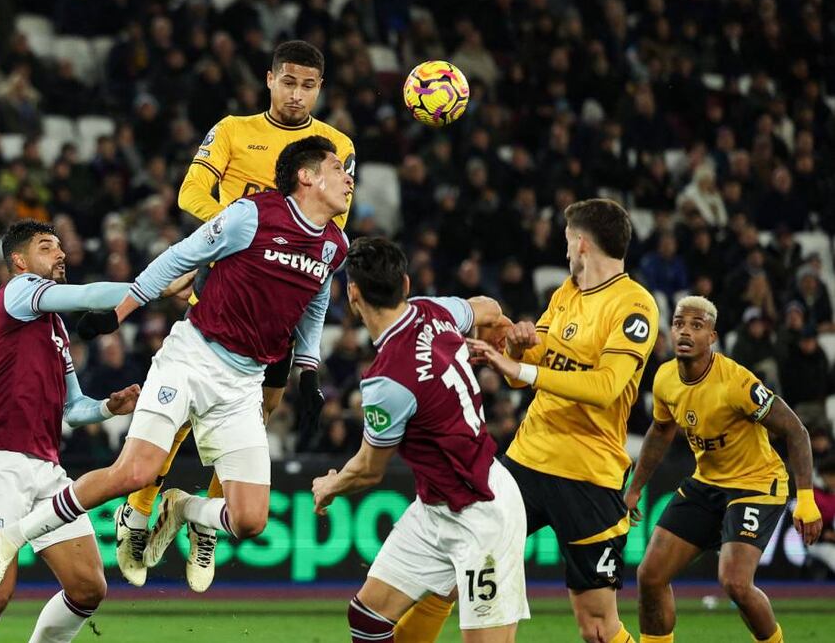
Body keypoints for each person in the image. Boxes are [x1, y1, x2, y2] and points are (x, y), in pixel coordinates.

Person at [0, 136, 350, 599]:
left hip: (244, 382)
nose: (348, 177)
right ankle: (9, 539)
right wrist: (121, 313)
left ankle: (181, 508)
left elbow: (315, 304)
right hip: (192, 356)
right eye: (337, 167)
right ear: (306, 175)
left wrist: (309, 370)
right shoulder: (251, 214)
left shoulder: (335, 244)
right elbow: (178, 257)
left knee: (251, 520)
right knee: (132, 472)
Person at [113, 39, 359, 597]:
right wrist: (242, 236)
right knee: (179, 411)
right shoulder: (230, 129)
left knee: (260, 412)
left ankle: (206, 523)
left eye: (308, 85)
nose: (297, 94)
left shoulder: (338, 146)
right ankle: (139, 506)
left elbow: (328, 221)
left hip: (287, 292)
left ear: (320, 89)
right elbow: (191, 191)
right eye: (288, 82)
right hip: (230, 282)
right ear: (268, 80)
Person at [311, 237, 527, 643]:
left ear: (353, 294)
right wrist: (501, 332)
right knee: (369, 618)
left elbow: (369, 470)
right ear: (406, 284)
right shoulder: (434, 311)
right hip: (435, 508)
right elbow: (490, 308)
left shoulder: (386, 379)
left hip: (483, 512)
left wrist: (329, 486)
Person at [0, 219, 148, 643]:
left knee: (89, 586)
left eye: (59, 246)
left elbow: (74, 410)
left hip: (45, 465)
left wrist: (109, 407)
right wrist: (153, 285)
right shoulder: (19, 291)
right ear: (19, 261)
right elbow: (89, 296)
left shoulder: (53, 325)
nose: (60, 253)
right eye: (46, 247)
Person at [470, 198, 658, 643]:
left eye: (568, 242)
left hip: (588, 474)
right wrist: (517, 345)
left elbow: (607, 387)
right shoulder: (566, 293)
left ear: (582, 243)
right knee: (469, 554)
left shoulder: (635, 306)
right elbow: (530, 365)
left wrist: (524, 369)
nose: (566, 252)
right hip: (527, 461)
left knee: (596, 627)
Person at [623, 296, 822, 643]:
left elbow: (795, 430)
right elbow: (661, 430)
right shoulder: (665, 377)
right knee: (650, 575)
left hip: (757, 485)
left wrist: (805, 498)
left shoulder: (737, 383)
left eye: (696, 326)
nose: (685, 332)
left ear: (712, 337)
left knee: (734, 582)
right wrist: (635, 486)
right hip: (707, 482)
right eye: (680, 324)